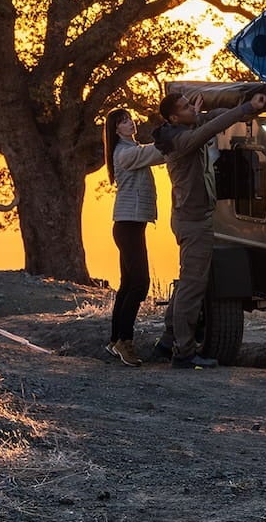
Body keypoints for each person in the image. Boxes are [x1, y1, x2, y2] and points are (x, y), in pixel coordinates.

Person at [152, 91, 266, 369]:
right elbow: (211, 127)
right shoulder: (182, 141)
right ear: (173, 118)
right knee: (193, 287)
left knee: (189, 281)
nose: (190, 109)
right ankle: (183, 352)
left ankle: (169, 340)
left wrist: (244, 110)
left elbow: (210, 118)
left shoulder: (179, 131)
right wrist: (246, 107)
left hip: (190, 219)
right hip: (193, 223)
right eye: (184, 108)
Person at [103, 108, 165, 368]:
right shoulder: (126, 153)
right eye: (124, 121)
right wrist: (179, 135)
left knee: (128, 284)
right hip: (127, 225)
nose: (131, 123)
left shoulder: (131, 149)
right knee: (140, 283)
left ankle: (116, 339)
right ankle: (124, 341)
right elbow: (158, 152)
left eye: (130, 119)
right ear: (116, 129)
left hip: (131, 224)